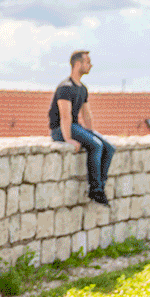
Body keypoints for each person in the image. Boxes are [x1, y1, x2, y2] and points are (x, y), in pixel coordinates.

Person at [49, 50, 115, 206]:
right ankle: (95, 189)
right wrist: (68, 139)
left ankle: (100, 186)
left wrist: (91, 133)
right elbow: (65, 117)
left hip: (74, 126)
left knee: (109, 148)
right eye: (87, 62)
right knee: (96, 146)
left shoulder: (82, 88)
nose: (90, 65)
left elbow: (86, 115)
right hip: (60, 130)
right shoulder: (65, 88)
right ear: (78, 64)